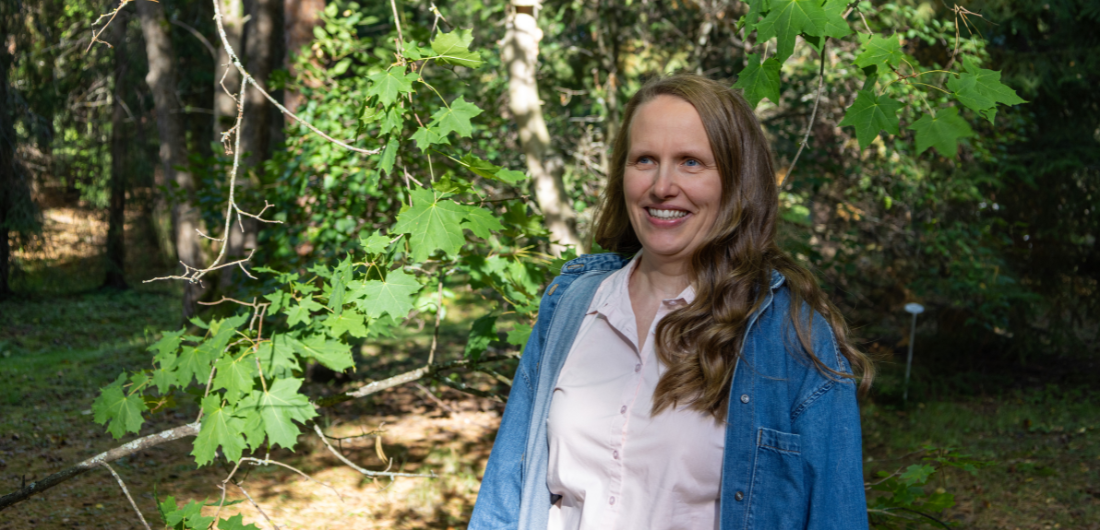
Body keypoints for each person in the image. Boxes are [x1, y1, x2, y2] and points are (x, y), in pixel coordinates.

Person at [469, 74, 874, 530]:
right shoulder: (571, 304)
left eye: (690, 162)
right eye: (645, 159)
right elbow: (506, 493)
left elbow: (837, 517)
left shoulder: (792, 337)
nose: (662, 185)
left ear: (737, 181)